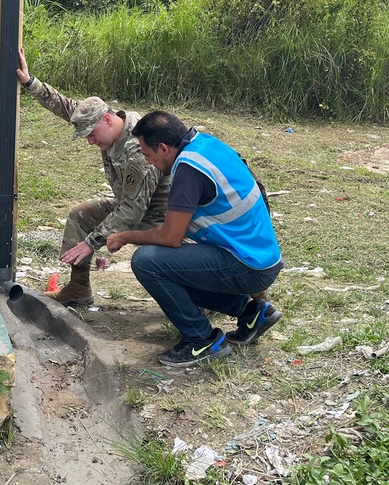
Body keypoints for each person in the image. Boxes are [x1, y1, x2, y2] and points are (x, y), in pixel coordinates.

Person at [108, 111, 284, 368]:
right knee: (174, 270)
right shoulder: (206, 144)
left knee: (147, 262)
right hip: (259, 256)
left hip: (246, 263)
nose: (149, 163)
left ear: (164, 148)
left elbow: (170, 238)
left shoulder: (188, 169)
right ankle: (251, 312)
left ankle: (201, 339)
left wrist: (125, 236)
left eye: (148, 155)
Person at [17, 48, 169, 305]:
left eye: (91, 134)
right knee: (81, 214)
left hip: (162, 219)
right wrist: (31, 82)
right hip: (131, 208)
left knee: (160, 256)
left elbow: (132, 212)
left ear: (108, 120)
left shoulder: (137, 149)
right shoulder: (107, 124)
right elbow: (68, 107)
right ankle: (78, 289)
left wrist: (90, 243)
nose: (89, 141)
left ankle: (206, 298)